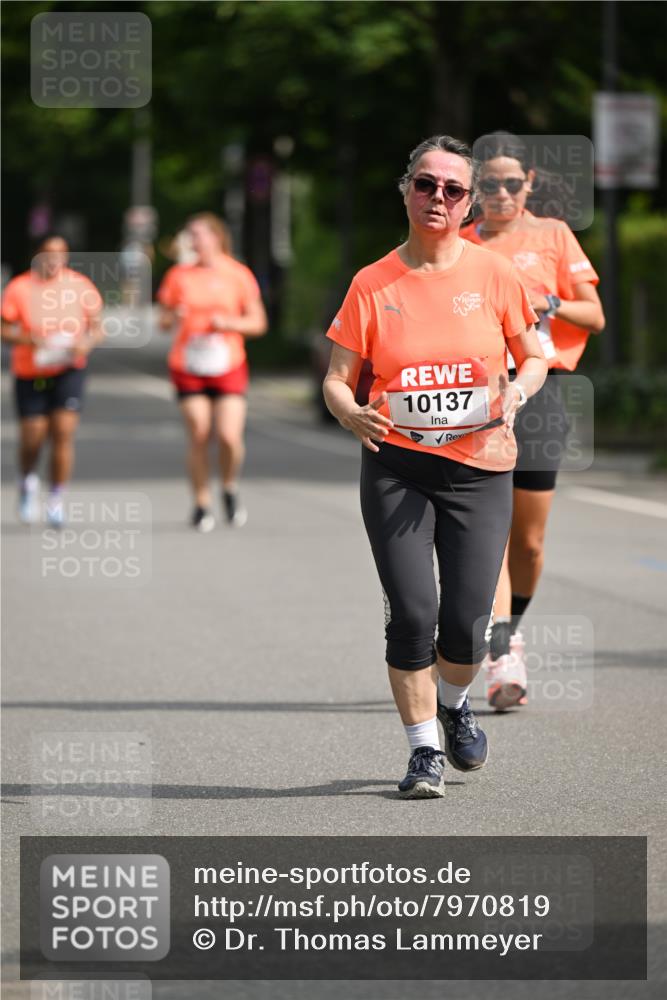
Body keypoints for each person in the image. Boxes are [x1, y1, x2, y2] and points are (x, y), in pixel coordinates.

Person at [323, 135, 548, 799]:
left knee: (466, 623)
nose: (438, 199)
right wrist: (350, 412)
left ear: (468, 202)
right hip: (397, 465)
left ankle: (453, 703)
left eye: (452, 190)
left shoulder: (493, 275)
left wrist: (517, 389)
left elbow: (531, 355)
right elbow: (338, 379)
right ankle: (423, 751)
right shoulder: (372, 282)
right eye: (426, 184)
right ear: (406, 190)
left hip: (479, 466)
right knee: (413, 613)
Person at [461, 134, 604, 711]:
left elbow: (593, 315)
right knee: (487, 529)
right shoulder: (459, 242)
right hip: (480, 393)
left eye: (511, 184)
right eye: (488, 184)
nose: (500, 194)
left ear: (530, 183)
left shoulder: (552, 235)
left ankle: (509, 626)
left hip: (543, 389)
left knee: (529, 536)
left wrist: (550, 303)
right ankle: (501, 650)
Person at [157, 213, 268, 532]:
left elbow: (258, 323)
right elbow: (162, 322)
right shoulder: (178, 275)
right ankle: (201, 503)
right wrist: (172, 316)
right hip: (188, 364)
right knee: (199, 432)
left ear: (216, 237)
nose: (192, 241)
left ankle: (229, 487)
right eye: (189, 236)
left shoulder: (237, 274)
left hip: (227, 363)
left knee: (229, 437)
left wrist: (230, 324)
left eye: (198, 235)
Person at [1, 235, 103, 526]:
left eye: (61, 253)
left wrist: (85, 343)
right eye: (48, 253)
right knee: (33, 436)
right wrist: (30, 339)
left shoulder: (80, 286)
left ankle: (56, 497)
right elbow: (4, 329)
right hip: (31, 371)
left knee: (62, 432)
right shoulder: (20, 287)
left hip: (68, 370)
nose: (54, 259)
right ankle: (27, 481)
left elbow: (97, 328)